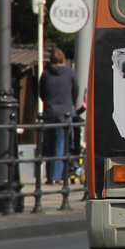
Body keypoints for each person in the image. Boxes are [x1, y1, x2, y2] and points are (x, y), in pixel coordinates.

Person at [39, 48, 79, 185]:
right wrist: (69, 104)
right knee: (61, 145)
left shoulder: (45, 74)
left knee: (50, 143)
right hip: (65, 112)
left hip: (49, 113)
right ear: (63, 60)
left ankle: (50, 175)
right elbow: (75, 91)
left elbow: (41, 93)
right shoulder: (70, 73)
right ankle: (56, 177)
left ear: (50, 61)